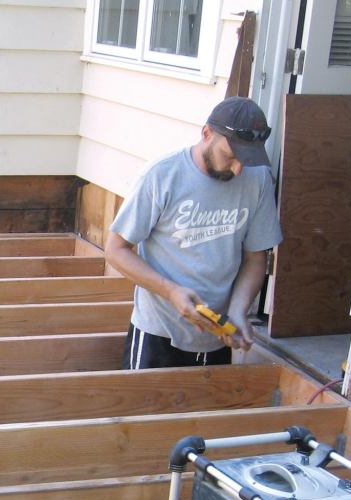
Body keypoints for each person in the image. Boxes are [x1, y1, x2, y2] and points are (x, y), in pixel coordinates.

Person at [105, 96, 283, 369]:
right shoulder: (162, 175)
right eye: (231, 157)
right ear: (206, 133)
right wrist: (171, 290)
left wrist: (238, 309)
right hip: (159, 331)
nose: (238, 169)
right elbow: (115, 249)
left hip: (216, 336)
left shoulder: (257, 178)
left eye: (245, 160)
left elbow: (255, 259)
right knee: (146, 412)